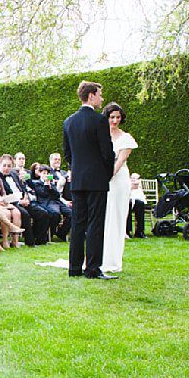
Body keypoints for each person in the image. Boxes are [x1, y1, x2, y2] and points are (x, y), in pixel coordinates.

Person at [63, 81, 116, 279]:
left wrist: (78, 169)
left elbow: (68, 154)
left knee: (78, 223)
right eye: (100, 95)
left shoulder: (69, 122)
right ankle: (92, 268)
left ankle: (74, 268)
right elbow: (107, 152)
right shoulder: (99, 120)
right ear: (91, 95)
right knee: (95, 223)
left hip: (78, 180)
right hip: (96, 179)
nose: (102, 99)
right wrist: (107, 173)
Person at [100, 102, 138, 273]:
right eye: (111, 117)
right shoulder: (101, 136)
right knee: (103, 217)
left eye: (118, 117)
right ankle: (98, 256)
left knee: (117, 217)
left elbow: (121, 160)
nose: (115, 120)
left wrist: (108, 176)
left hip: (119, 180)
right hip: (102, 179)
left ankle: (113, 260)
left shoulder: (126, 138)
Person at [0, 154, 52, 247]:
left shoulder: (14, 174)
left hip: (24, 200)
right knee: (25, 215)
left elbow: (23, 188)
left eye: (9, 166)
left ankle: (40, 240)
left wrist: (26, 198)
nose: (6, 168)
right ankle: (30, 242)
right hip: (12, 203)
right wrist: (19, 202)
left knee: (43, 213)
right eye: (4, 165)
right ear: (0, 165)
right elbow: (3, 195)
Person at [44, 153, 73, 241]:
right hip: (53, 199)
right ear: (50, 161)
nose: (57, 161)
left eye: (59, 159)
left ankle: (61, 233)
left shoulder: (64, 173)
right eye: (55, 159)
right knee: (55, 214)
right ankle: (50, 233)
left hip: (65, 199)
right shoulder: (48, 173)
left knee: (73, 214)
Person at [126, 173, 147, 238]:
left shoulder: (138, 187)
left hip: (136, 201)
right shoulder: (127, 183)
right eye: (132, 178)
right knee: (128, 206)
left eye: (135, 178)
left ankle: (140, 231)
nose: (134, 180)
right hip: (127, 201)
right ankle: (128, 231)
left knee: (140, 204)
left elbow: (141, 197)